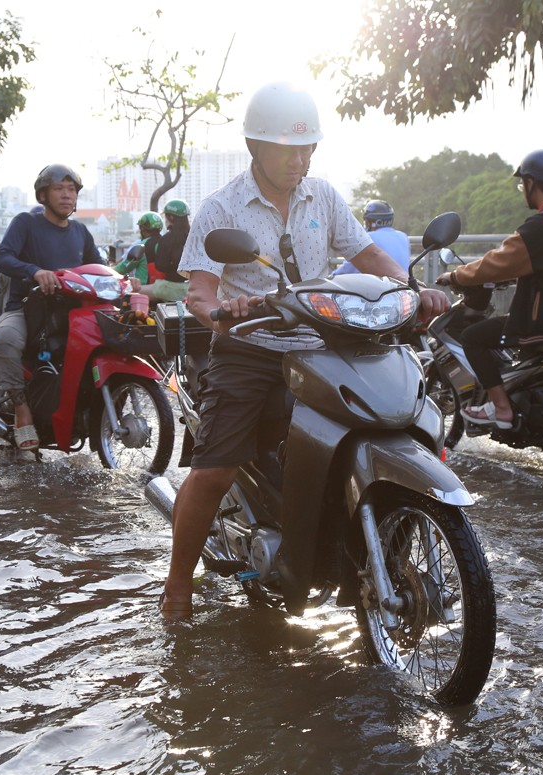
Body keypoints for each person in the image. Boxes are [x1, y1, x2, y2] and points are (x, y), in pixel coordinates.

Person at [159, 81, 449, 620]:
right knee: (216, 467)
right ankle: (177, 588)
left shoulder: (325, 196)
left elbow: (368, 257)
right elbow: (199, 291)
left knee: (374, 419)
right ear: (255, 148)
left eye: (308, 148)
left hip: (321, 342)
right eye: (288, 149)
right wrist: (223, 311)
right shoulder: (222, 208)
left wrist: (413, 289)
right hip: (250, 348)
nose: (301, 159)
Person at [434, 149, 543, 431]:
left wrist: (456, 275)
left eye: (523, 184)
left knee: (474, 337)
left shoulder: (540, 227)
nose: (523, 189)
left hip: (541, 323)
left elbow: (496, 263)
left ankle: (501, 408)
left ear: (531, 183)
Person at [0, 163, 104, 450]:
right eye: (59, 189)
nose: (67, 195)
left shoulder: (81, 232)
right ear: (43, 195)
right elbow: (3, 259)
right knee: (5, 340)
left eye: (71, 190)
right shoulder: (25, 223)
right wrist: (34, 271)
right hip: (27, 308)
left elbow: (99, 268)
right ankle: (21, 409)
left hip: (72, 312)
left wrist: (125, 282)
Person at [334, 199, 411, 275]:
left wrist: (332, 277)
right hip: (402, 284)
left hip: (380, 286)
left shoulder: (367, 238)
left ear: (370, 222)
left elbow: (347, 269)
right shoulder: (403, 236)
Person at [139, 200, 190, 304]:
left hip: (170, 288)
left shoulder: (167, 239)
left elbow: (161, 266)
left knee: (135, 292)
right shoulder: (195, 237)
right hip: (193, 288)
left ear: (171, 217)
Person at [115, 212, 163, 285]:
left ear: (142, 229)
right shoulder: (165, 242)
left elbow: (124, 267)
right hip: (164, 287)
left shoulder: (141, 246)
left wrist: (110, 270)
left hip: (144, 289)